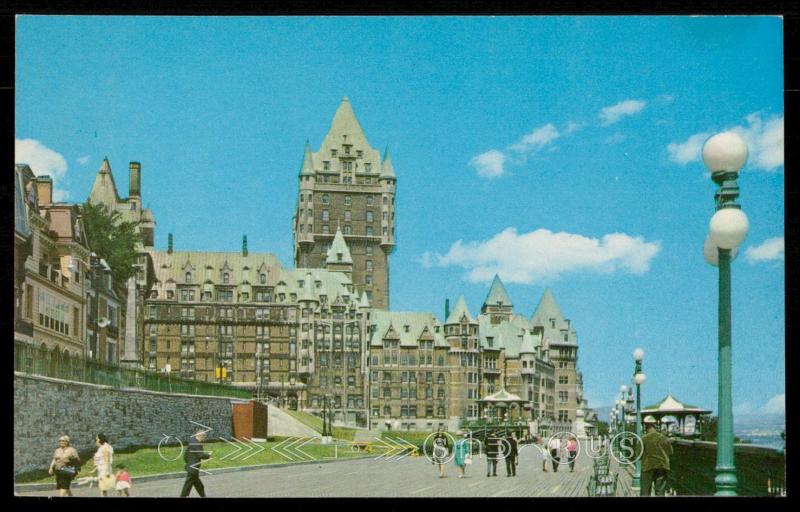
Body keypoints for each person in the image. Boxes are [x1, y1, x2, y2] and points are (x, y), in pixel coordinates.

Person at [640, 415, 673, 496]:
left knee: (645, 492)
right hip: (662, 466)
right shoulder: (664, 438)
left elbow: (638, 455)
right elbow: (671, 452)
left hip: (647, 467)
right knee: (660, 492)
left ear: (645, 427)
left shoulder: (643, 439)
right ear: (655, 426)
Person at [181, 430, 211, 497]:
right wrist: (208, 455)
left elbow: (185, 456)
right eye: (204, 437)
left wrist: (189, 463)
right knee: (187, 486)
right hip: (193, 469)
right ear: (201, 436)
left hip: (192, 468)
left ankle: (203, 496)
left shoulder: (192, 441)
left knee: (198, 485)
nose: (204, 439)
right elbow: (200, 455)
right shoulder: (197, 444)